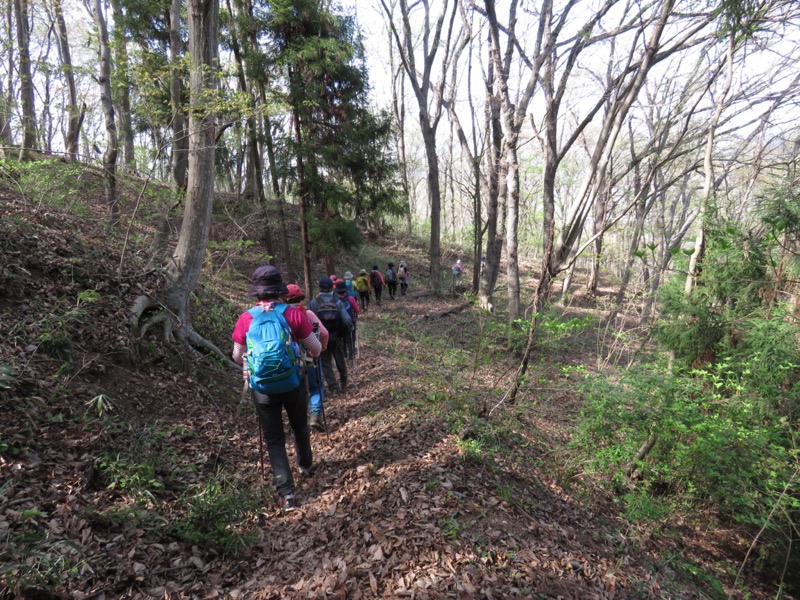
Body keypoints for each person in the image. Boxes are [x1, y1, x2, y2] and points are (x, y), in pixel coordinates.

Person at [231, 266, 322, 511]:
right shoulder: (292, 314)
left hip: (262, 388)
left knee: (273, 439)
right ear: (278, 289)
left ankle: (287, 493)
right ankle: (305, 466)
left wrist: (257, 360)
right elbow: (315, 348)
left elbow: (237, 356)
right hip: (292, 382)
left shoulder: (246, 318)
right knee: (299, 426)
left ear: (257, 292)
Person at [284, 284, 328, 432]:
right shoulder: (307, 314)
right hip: (310, 357)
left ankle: (298, 421)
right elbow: (324, 333)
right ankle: (315, 415)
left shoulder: (280, 315)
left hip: (289, 362)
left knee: (297, 390)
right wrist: (322, 347)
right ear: (300, 297)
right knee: (317, 387)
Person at [308, 277, 353, 394]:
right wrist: (349, 329)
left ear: (320, 287)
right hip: (336, 336)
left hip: (321, 338)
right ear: (331, 288)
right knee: (340, 359)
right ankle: (344, 380)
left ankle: (333, 386)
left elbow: (310, 323)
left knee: (326, 362)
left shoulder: (313, 303)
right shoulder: (337, 301)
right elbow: (347, 320)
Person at [334, 279, 360, 363]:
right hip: (350, 322)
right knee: (351, 339)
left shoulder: (335, 300)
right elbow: (357, 310)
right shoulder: (351, 298)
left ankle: (344, 354)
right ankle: (351, 356)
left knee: (343, 339)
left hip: (340, 323)